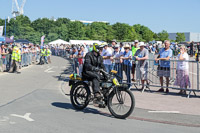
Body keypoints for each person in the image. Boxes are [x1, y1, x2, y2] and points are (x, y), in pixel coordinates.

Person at [82, 43, 106, 107]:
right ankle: (96, 94)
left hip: (94, 72)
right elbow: (87, 65)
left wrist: (106, 73)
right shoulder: (89, 55)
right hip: (86, 72)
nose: (101, 50)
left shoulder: (100, 57)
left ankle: (105, 97)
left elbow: (102, 65)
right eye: (100, 49)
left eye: (102, 49)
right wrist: (94, 68)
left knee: (105, 78)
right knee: (96, 77)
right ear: (96, 49)